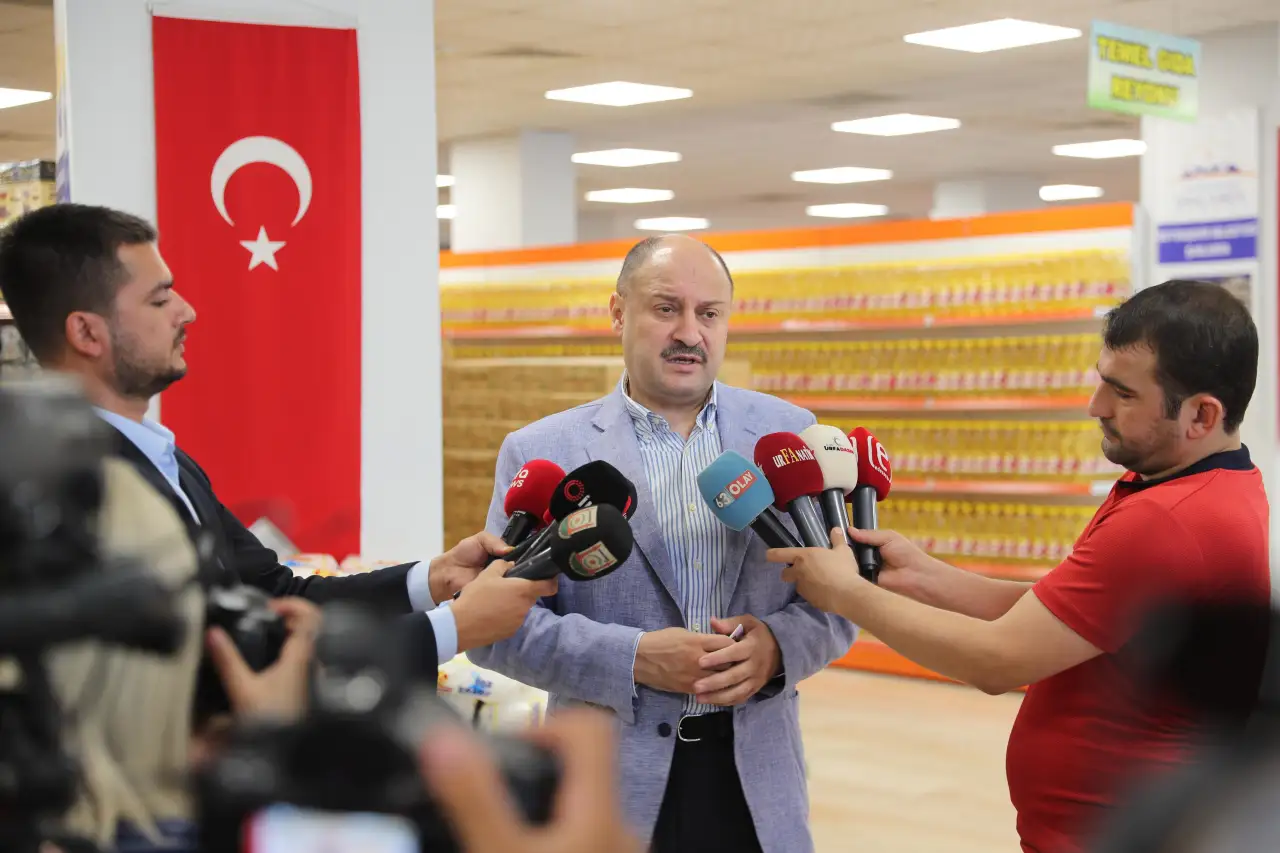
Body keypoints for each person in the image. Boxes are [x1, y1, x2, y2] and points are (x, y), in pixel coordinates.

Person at [767, 280, 1271, 853]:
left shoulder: (1168, 519)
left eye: (1123, 394)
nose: (1096, 406)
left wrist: (846, 594)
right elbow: (1066, 616)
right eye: (1101, 381)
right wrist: (921, 576)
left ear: (1202, 414)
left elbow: (997, 661)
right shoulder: (1202, 483)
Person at [0, 203, 554, 673]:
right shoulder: (79, 494)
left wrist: (433, 579)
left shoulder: (166, 459)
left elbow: (279, 597)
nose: (186, 311)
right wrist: (453, 628)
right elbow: (213, 667)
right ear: (86, 332)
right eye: (159, 298)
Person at [469, 234, 857, 853]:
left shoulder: (790, 437)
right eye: (666, 308)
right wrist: (633, 658)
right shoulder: (542, 451)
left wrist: (778, 649)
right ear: (618, 312)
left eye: (709, 313)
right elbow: (495, 629)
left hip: (757, 783)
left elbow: (843, 600)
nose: (689, 333)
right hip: (607, 785)